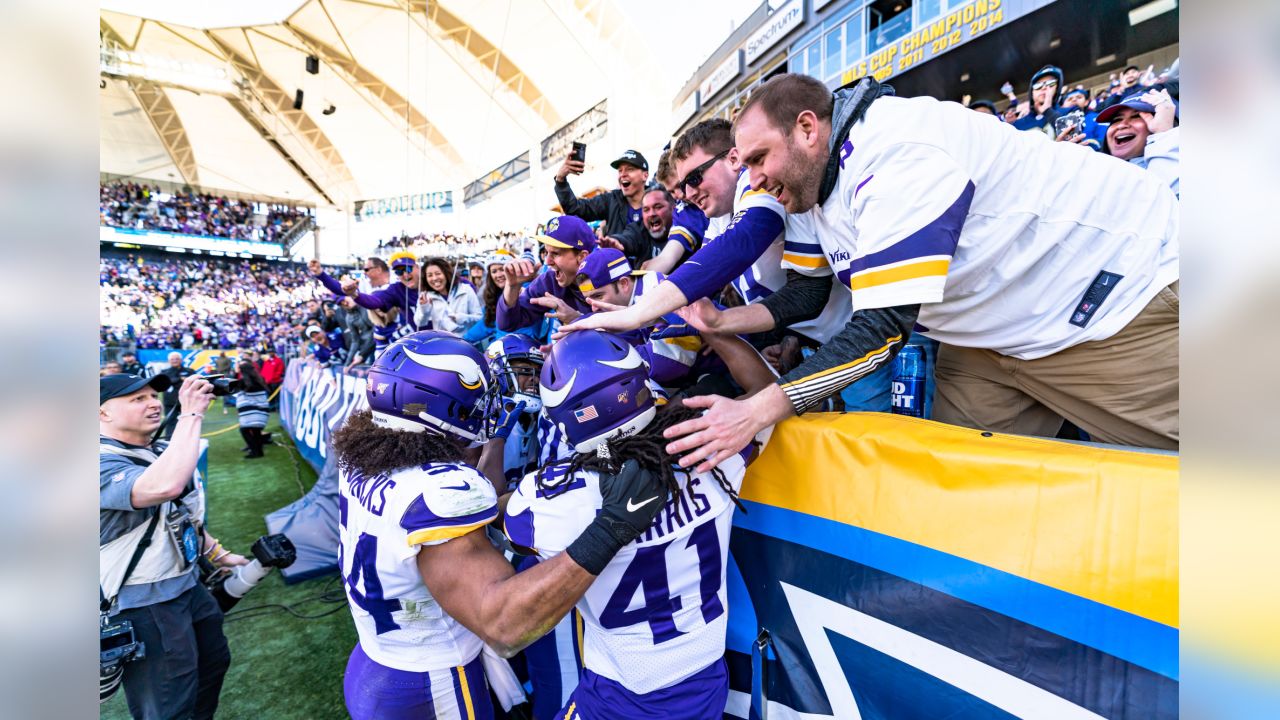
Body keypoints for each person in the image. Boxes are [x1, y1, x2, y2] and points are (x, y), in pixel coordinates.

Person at [570, 73, 1180, 454]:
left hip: (1109, 302)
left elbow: (882, 326)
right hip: (995, 337)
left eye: (758, 158)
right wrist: (723, 324)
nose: (752, 179)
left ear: (809, 129)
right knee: (965, 493)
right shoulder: (813, 185)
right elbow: (807, 295)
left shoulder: (898, 151)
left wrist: (755, 409)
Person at [330, 331, 671, 720]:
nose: (484, 411)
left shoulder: (360, 456)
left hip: (373, 660)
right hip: (430, 679)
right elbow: (505, 626)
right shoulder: (440, 490)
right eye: (475, 401)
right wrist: (609, 529)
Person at [503, 326, 778, 717]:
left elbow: (509, 525)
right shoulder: (710, 453)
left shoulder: (555, 501)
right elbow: (766, 393)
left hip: (619, 696)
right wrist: (712, 327)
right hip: (705, 683)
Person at [100, 373, 248, 719]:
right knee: (168, 701)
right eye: (137, 399)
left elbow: (181, 515)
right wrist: (191, 414)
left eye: (153, 396)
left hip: (187, 587)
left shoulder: (159, 449)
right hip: (142, 602)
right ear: (100, 414)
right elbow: (164, 487)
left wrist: (217, 554)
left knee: (211, 668)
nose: (153, 403)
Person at [496, 216, 597, 333]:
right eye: (546, 252)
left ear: (582, 257)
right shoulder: (550, 279)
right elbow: (507, 324)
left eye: (555, 253)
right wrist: (512, 286)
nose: (547, 261)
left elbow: (621, 335)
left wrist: (577, 320)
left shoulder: (609, 274)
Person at [309, 251, 421, 355]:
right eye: (399, 271)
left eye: (367, 269)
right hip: (387, 330)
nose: (364, 273)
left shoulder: (398, 281)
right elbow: (341, 289)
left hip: (410, 328)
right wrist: (321, 274)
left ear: (378, 269)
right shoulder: (366, 284)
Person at [1099, 90, 1180, 197]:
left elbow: (1163, 204)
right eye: (1117, 119)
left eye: (1136, 116)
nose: (1121, 125)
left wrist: (1163, 134)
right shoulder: (1099, 174)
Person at [553, 148, 649, 233]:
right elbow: (575, 209)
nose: (623, 174)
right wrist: (560, 180)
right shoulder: (611, 200)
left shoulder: (660, 199)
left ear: (645, 175)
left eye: (630, 169)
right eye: (620, 170)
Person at [414, 257, 482, 334]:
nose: (434, 278)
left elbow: (479, 318)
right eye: (430, 275)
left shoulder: (465, 289)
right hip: (444, 344)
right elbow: (420, 323)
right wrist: (425, 309)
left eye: (438, 273)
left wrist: (462, 318)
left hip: (469, 343)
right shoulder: (425, 297)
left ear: (446, 273)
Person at [1011, 64, 1065, 136]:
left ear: (1057, 88)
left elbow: (1075, 138)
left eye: (1050, 83)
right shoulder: (1017, 125)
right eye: (1038, 85)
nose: (1044, 87)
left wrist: (1048, 111)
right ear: (1032, 92)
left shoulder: (1069, 111)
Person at [233, 361, 271, 458]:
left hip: (249, 410)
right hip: (261, 409)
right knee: (256, 431)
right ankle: (259, 451)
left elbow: (233, 387)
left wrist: (236, 373)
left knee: (244, 430)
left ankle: (254, 451)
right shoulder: (260, 379)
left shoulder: (243, 382)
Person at [159, 352, 196, 439]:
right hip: (170, 402)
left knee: (189, 421)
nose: (175, 361)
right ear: (169, 361)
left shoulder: (189, 371)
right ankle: (168, 442)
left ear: (181, 360)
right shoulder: (164, 372)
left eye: (177, 359)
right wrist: (180, 379)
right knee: (170, 422)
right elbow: (167, 382)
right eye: (172, 359)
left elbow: (194, 382)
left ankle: (188, 439)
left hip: (187, 401)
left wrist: (177, 381)